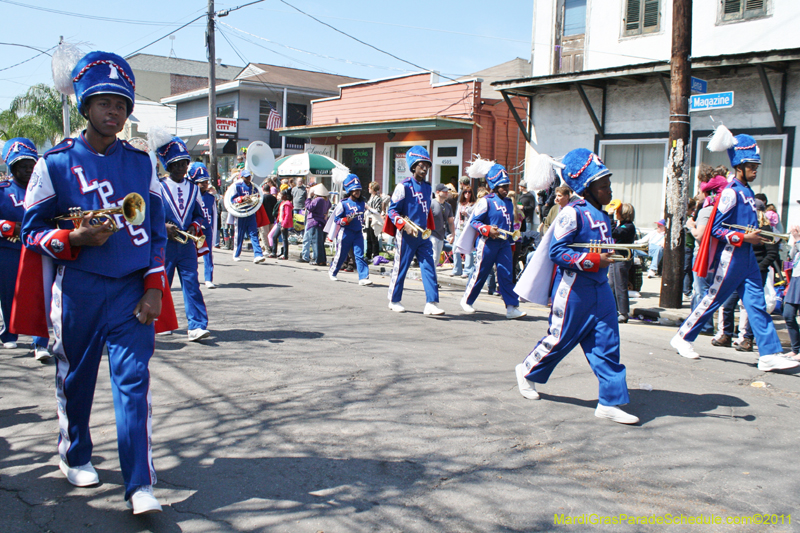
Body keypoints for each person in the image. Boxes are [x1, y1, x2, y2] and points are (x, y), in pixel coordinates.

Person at [21, 51, 171, 513]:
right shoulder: (55, 164)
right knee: (77, 381)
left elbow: (157, 231)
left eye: (122, 104)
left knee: (134, 383)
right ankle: (75, 453)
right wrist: (73, 237)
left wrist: (153, 287)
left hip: (130, 288)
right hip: (79, 289)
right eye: (104, 102)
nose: (114, 112)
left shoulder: (141, 163)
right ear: (86, 106)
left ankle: (140, 484)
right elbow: (31, 231)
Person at [514, 148, 638, 425]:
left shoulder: (603, 215)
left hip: (600, 289)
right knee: (559, 340)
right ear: (588, 188)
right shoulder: (572, 213)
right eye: (604, 186)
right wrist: (594, 259)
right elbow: (558, 252)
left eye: (608, 185)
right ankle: (525, 370)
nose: (609, 191)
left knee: (608, 343)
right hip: (573, 290)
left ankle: (609, 401)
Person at [670, 127, 799, 372]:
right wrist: (744, 238)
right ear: (739, 165)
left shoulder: (747, 192)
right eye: (751, 165)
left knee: (757, 304)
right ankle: (682, 337)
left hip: (747, 258)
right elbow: (717, 229)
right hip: (730, 257)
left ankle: (769, 354)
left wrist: (753, 237)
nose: (755, 169)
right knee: (713, 299)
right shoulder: (731, 192)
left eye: (756, 166)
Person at [154, 137, 210, 341]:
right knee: (162, 284)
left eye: (183, 163)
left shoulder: (194, 188)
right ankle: (161, 322)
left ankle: (196, 325)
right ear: (168, 165)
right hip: (165, 244)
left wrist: (195, 226)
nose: (180, 168)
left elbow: (199, 214)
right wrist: (162, 227)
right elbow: (149, 215)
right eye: (175, 164)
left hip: (186, 245)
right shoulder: (157, 186)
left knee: (192, 284)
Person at [455, 160, 526, 319]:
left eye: (507, 186)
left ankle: (511, 307)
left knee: (506, 274)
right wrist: (487, 229)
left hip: (504, 243)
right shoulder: (486, 201)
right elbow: (474, 221)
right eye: (503, 186)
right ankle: (467, 300)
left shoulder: (508, 202)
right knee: (480, 272)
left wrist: (512, 243)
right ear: (494, 186)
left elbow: (509, 224)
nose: (506, 190)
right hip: (487, 243)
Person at [0, 138, 50, 360]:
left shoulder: (45, 189)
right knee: (10, 295)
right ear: (12, 167)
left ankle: (41, 342)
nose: (28, 170)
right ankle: (10, 333)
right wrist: (10, 227)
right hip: (9, 252)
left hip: (38, 251)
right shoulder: (3, 191)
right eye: (22, 166)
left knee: (40, 295)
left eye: (31, 165)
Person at [384, 146, 444, 315]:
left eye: (427, 165)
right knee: (401, 266)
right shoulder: (403, 186)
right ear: (413, 167)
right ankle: (394, 299)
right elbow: (392, 211)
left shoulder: (427, 187)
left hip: (423, 234)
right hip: (407, 234)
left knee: (429, 266)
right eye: (420, 164)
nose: (424, 168)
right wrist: (404, 225)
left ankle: (431, 302)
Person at [329, 174, 372, 285]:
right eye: (355, 190)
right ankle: (333, 271)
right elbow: (336, 219)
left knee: (359, 255)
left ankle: (363, 277)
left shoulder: (362, 203)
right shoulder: (343, 203)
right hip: (345, 232)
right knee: (342, 254)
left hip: (358, 232)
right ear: (349, 190)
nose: (357, 192)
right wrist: (346, 220)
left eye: (358, 189)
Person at [189, 162, 218, 289]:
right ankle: (193, 277)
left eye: (206, 182)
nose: (205, 184)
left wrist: (214, 233)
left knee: (208, 254)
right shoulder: (191, 195)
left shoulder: (211, 198)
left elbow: (214, 216)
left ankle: (208, 278)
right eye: (202, 182)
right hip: (194, 230)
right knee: (192, 254)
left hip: (207, 229)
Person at [229, 169, 265, 263]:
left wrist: (253, 199)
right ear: (242, 177)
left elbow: (258, 197)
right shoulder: (237, 186)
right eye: (246, 177)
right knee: (239, 235)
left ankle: (258, 254)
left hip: (251, 212)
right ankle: (236, 254)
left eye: (249, 176)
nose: (249, 178)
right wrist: (241, 198)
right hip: (240, 213)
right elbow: (232, 200)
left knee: (254, 234)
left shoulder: (254, 187)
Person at [608, 202, 636, 323]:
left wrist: (610, 218)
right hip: (615, 256)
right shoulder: (622, 225)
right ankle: (613, 310)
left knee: (620, 285)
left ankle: (623, 313)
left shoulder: (628, 226)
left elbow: (613, 233)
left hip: (622, 258)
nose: (616, 213)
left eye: (617, 211)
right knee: (611, 285)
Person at [781, 227, 800, 361]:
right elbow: (793, 256)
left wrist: (798, 240)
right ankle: (795, 349)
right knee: (788, 314)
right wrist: (794, 242)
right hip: (796, 278)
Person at [451, 186, 475, 278]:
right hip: (459, 228)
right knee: (455, 249)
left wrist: (467, 214)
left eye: (469, 192)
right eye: (465, 192)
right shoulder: (461, 204)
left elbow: (474, 217)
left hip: (467, 229)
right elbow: (457, 217)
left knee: (468, 250)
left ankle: (468, 270)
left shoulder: (473, 205)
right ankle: (457, 269)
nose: (467, 194)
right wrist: (454, 229)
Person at [305, 183, 331, 266]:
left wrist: (309, 196)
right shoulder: (326, 200)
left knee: (315, 241)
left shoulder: (318, 199)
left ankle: (317, 259)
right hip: (322, 222)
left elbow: (309, 207)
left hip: (315, 221)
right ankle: (322, 259)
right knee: (320, 242)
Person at [430, 183, 454, 267]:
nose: (447, 193)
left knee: (436, 260)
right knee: (434, 257)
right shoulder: (431, 203)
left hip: (441, 236)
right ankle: (430, 277)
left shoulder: (448, 206)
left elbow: (451, 222)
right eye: (444, 192)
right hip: (431, 235)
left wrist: (453, 234)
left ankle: (431, 276)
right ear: (438, 192)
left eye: (447, 191)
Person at [364, 181, 385, 260]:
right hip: (369, 220)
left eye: (369, 187)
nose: (368, 189)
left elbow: (377, 211)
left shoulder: (378, 198)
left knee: (374, 238)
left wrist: (368, 208)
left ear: (373, 189)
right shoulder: (371, 198)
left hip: (374, 220)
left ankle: (375, 255)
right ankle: (368, 254)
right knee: (368, 238)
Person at [276, 190, 293, 260]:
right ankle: (275, 252)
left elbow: (287, 215)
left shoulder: (288, 204)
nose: (280, 196)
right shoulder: (282, 202)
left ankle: (285, 255)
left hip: (284, 223)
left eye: (282, 195)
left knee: (284, 238)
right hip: (280, 222)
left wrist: (284, 225)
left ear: (285, 196)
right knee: (274, 236)